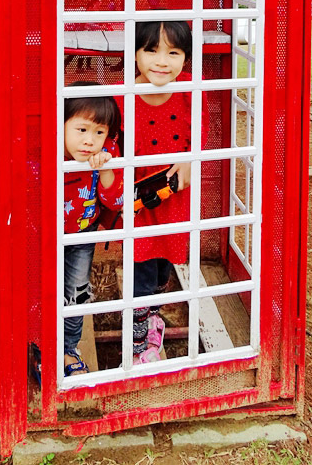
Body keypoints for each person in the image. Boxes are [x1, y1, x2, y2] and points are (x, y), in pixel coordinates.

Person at [115, 21, 208, 365]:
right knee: (139, 269)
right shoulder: (121, 96)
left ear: (186, 58)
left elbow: (200, 131)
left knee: (162, 269)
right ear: (135, 54)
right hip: (138, 201)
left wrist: (190, 159)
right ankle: (140, 345)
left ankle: (151, 315)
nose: (161, 61)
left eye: (173, 52)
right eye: (151, 50)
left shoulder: (190, 89)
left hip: (174, 198)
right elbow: (108, 141)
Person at [63, 84, 122, 376]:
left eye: (99, 132)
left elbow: (116, 200)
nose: (89, 141)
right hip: (47, 235)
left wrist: (108, 169)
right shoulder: (51, 152)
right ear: (62, 124)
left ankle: (68, 348)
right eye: (81, 130)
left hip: (84, 234)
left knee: (76, 292)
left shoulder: (107, 152)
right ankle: (38, 341)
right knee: (43, 289)